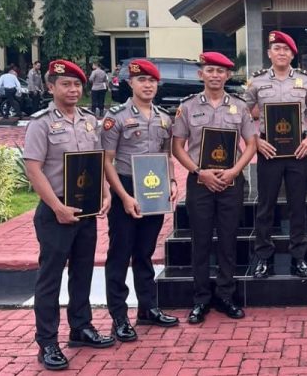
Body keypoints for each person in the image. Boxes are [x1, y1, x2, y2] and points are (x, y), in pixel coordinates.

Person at [23, 60, 114, 371]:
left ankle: (81, 327)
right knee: (50, 278)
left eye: (77, 84)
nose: (73, 90)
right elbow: (33, 169)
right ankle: (47, 342)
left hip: (86, 207)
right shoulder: (41, 124)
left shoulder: (89, 120)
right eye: (66, 84)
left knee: (82, 271)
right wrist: (57, 207)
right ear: (51, 87)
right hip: (55, 210)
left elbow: (96, 161)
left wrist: (105, 192)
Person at [172, 52, 257, 324]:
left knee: (228, 239)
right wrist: (199, 171)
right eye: (210, 70)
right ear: (201, 74)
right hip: (200, 182)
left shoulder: (240, 107)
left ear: (228, 75)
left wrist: (234, 171)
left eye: (221, 71)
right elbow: (177, 146)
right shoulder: (187, 107)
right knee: (201, 240)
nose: (215, 75)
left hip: (231, 182)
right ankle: (200, 299)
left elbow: (251, 144)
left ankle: (226, 295)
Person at [101, 59, 180, 343]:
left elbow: (167, 155)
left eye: (152, 81)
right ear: (130, 83)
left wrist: (172, 181)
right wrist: (123, 196)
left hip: (154, 188)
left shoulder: (164, 118)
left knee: (145, 251)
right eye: (142, 80)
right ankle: (119, 317)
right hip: (125, 185)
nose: (148, 85)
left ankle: (147, 308)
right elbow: (106, 161)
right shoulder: (116, 117)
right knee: (120, 253)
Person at [244, 31, 307, 278]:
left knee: (298, 205)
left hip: (298, 150)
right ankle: (263, 256)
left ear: (292, 55)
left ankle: (299, 257)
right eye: (277, 48)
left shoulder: (306, 81)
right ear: (269, 53)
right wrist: (256, 141)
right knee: (265, 206)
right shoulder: (257, 81)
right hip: (269, 150)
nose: (281, 53)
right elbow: (243, 115)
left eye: (286, 49)